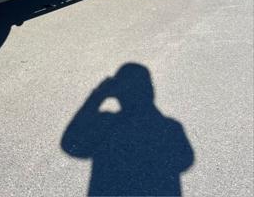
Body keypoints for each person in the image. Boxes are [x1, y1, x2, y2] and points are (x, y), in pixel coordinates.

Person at [61, 63, 194, 196]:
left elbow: (70, 143)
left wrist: (97, 96)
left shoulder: (106, 123)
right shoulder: (172, 128)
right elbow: (185, 161)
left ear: (117, 93)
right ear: (150, 91)